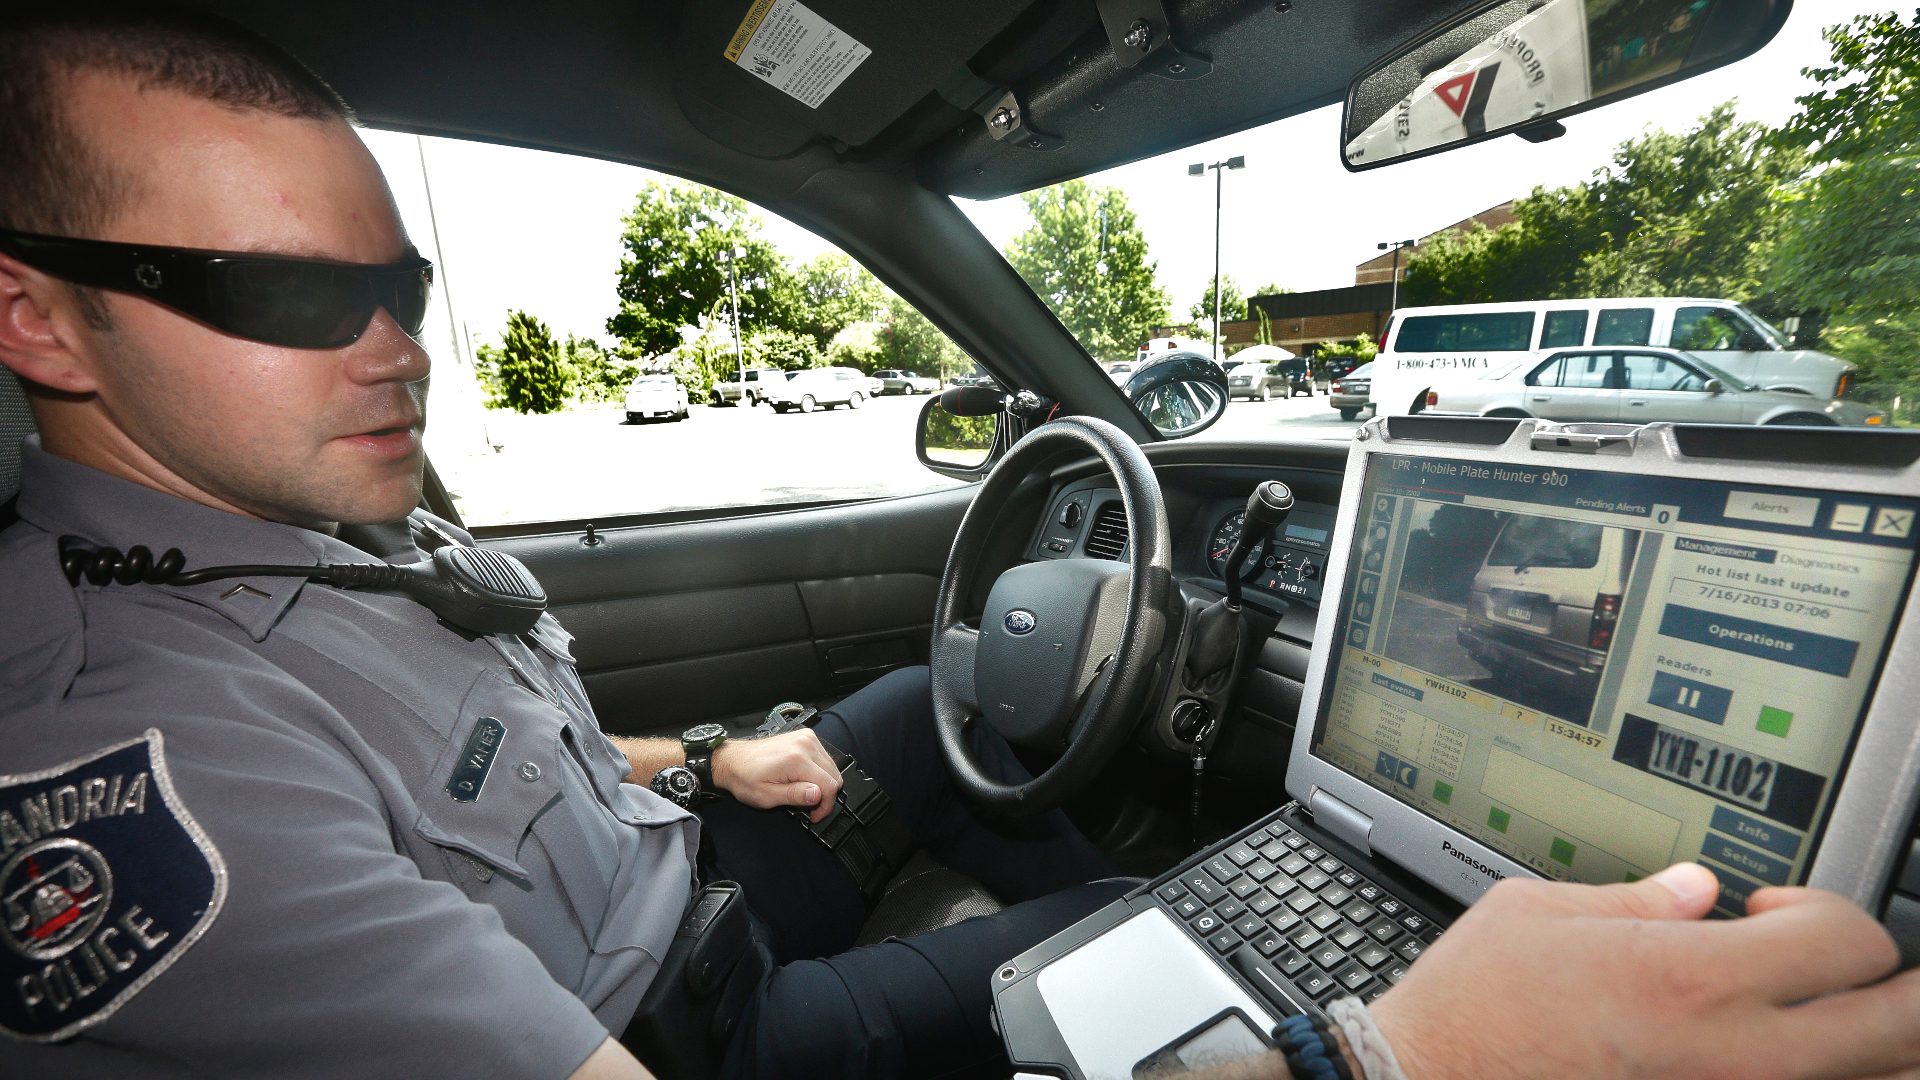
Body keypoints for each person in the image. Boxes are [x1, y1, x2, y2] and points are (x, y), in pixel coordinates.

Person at [0, 7, 1914, 1080]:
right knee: (1181, 926)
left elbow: (469, 770)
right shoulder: (133, 768)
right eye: (280, 293)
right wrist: (1392, 1058)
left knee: (931, 700)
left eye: (399, 284)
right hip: (691, 1024)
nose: (393, 348)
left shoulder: (278, 520)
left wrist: (706, 758)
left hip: (684, 866)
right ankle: (1143, 944)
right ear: (39, 320)